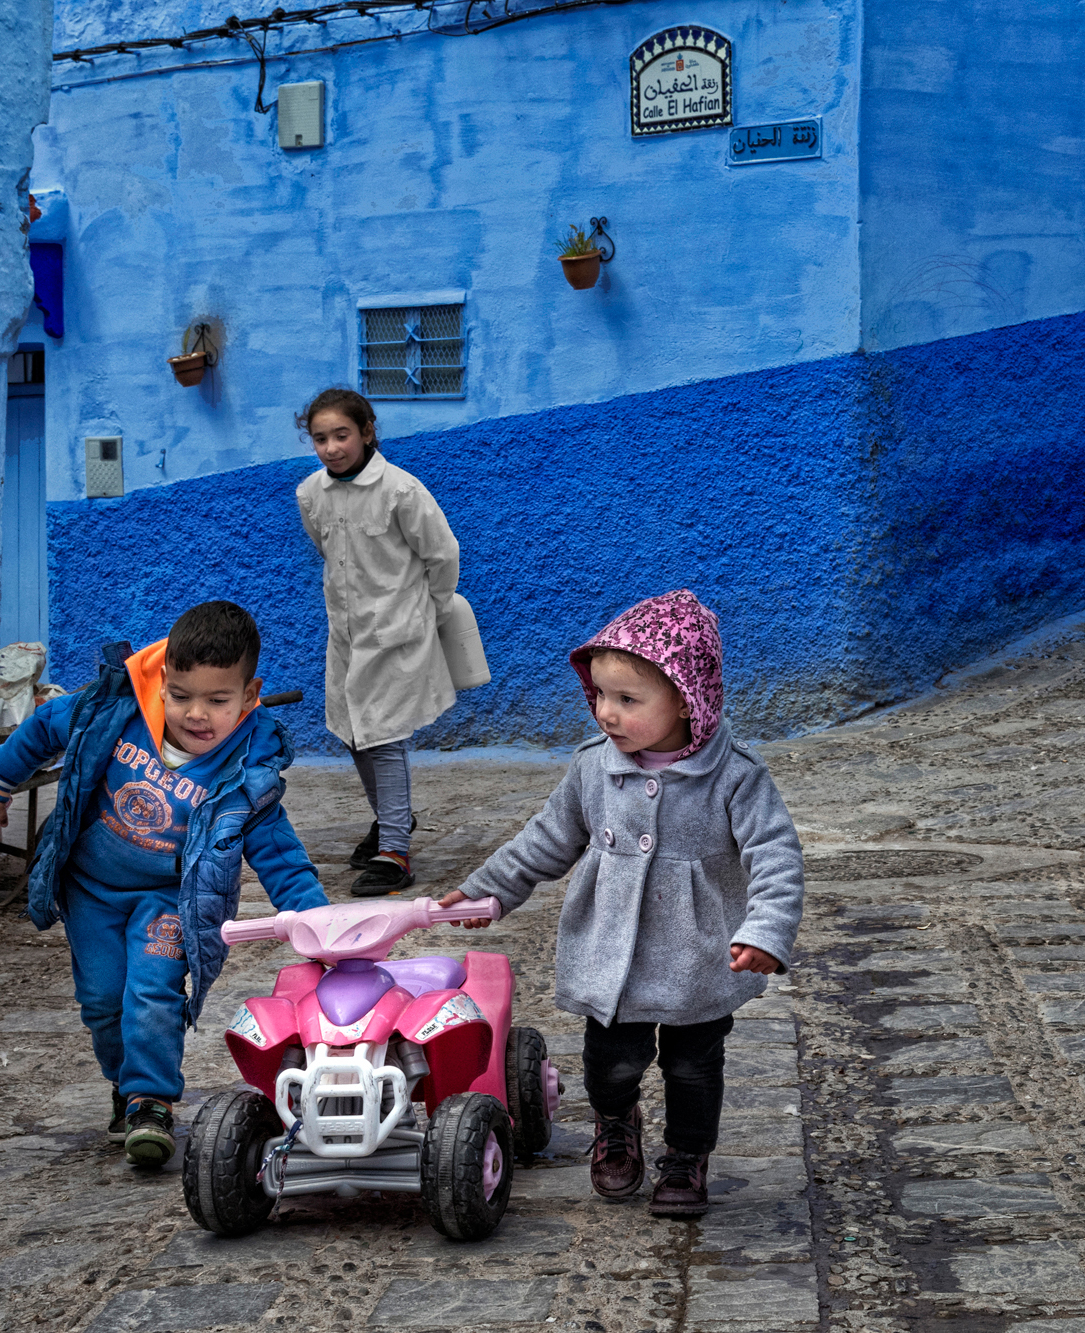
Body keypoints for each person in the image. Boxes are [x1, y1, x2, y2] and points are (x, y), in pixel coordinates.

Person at [437, 590, 804, 1218]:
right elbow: (548, 838)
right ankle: (615, 1121)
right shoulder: (592, 768)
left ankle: (686, 1155)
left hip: (699, 959)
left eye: (628, 700)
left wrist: (766, 929)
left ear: (688, 699)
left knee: (693, 1069)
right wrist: (489, 889)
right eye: (601, 694)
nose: (606, 712)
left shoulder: (736, 775)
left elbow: (775, 854)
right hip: (612, 959)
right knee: (610, 1065)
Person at [0, 601, 327, 1167]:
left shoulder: (247, 772)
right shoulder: (115, 711)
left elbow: (279, 854)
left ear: (250, 695)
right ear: (162, 680)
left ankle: (149, 1100)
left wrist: (318, 922)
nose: (196, 715)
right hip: (91, 890)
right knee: (102, 999)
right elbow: (45, 726)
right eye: (180, 695)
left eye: (218, 700)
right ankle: (125, 1085)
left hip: (170, 900)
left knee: (152, 994)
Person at [294, 388, 462, 897]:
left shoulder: (401, 490)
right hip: (347, 638)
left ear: (367, 432)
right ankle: (394, 818)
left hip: (396, 635)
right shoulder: (311, 494)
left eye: (341, 435)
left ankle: (395, 852)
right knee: (353, 733)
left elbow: (442, 555)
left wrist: (427, 611)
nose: (331, 448)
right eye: (320, 438)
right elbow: (326, 550)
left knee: (384, 737)